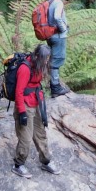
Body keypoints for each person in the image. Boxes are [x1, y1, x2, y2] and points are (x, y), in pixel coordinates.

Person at [12, 44, 61, 178]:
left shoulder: (40, 65)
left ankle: (46, 161)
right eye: (45, 59)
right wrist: (21, 112)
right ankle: (18, 165)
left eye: (48, 59)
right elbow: (19, 92)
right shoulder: (25, 69)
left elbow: (37, 84)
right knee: (26, 138)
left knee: (40, 134)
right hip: (25, 105)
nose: (47, 61)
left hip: (36, 102)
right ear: (38, 57)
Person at [46, 0, 72, 97]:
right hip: (58, 35)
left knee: (53, 60)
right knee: (57, 61)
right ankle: (55, 87)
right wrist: (63, 29)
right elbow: (57, 17)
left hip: (50, 34)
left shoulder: (50, 0)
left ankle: (54, 85)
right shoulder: (58, 2)